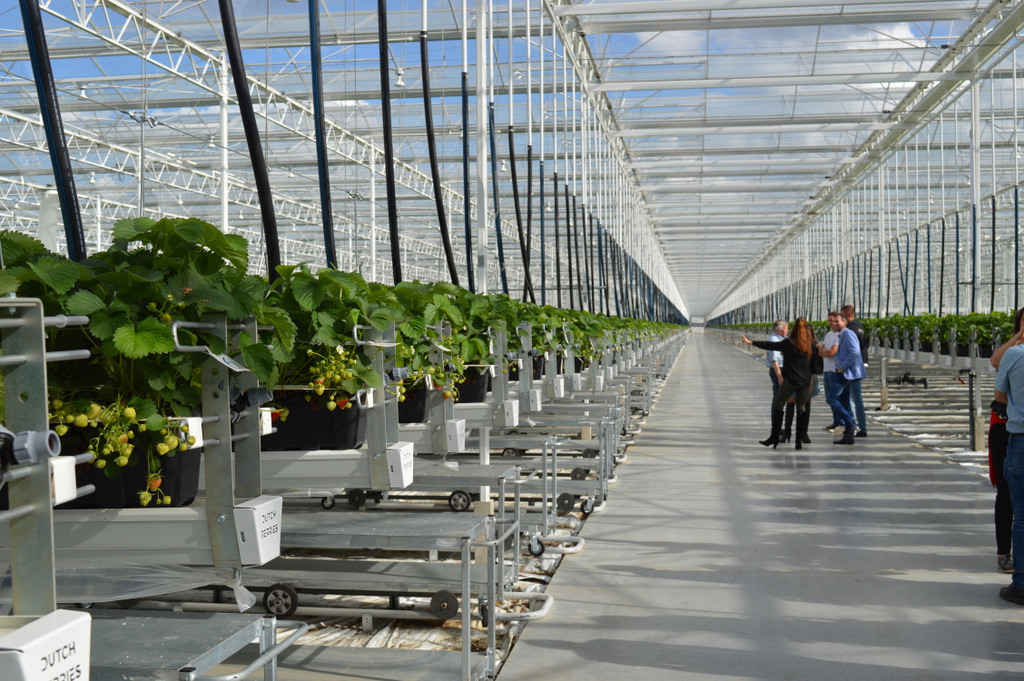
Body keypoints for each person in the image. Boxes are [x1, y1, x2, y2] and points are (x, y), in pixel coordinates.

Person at [741, 318, 819, 450]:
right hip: (804, 382)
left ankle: (774, 436)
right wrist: (811, 382)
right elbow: (814, 365)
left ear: (794, 329)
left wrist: (751, 342)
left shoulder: (789, 343)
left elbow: (770, 346)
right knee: (801, 409)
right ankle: (798, 441)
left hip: (790, 381)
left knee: (778, 405)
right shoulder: (811, 344)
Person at [988, 308, 1024, 574]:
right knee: (1006, 490)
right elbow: (995, 361)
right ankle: (1004, 552)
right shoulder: (1012, 350)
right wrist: (1018, 337)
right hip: (1004, 427)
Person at [826, 312, 865, 445]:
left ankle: (851, 423)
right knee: (844, 401)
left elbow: (855, 352)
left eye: (837, 321)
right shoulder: (842, 334)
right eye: (833, 321)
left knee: (831, 397)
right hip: (844, 371)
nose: (834, 323)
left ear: (844, 322)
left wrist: (843, 367)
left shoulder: (848, 333)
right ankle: (849, 435)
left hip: (846, 372)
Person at [840, 304, 868, 437]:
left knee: (852, 398)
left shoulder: (850, 329)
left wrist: (843, 365)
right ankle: (857, 426)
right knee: (855, 398)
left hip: (852, 368)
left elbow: (853, 351)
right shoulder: (859, 326)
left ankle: (856, 426)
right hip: (857, 365)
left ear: (846, 315)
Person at [819, 312, 843, 432]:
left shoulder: (839, 335)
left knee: (835, 398)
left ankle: (842, 422)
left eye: (834, 321)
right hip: (827, 369)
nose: (831, 323)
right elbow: (821, 351)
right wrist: (826, 352)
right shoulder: (828, 334)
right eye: (829, 320)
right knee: (829, 398)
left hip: (834, 370)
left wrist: (826, 352)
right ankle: (836, 421)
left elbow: (831, 353)